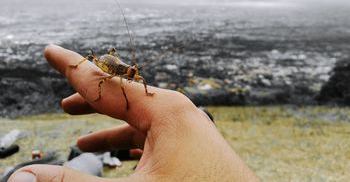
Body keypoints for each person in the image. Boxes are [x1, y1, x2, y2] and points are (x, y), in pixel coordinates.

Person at [9, 45, 261, 182]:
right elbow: (103, 80)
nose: (133, 75)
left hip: (115, 68)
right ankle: (79, 63)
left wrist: (146, 92)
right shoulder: (114, 69)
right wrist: (99, 88)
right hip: (106, 66)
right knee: (96, 67)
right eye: (131, 72)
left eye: (132, 73)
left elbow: (134, 79)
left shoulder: (130, 74)